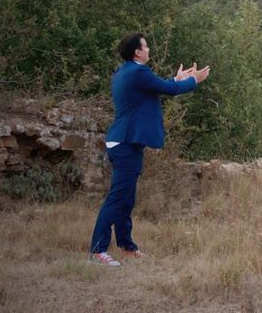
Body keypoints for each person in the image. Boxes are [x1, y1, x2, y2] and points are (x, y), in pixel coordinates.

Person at [89, 32, 210, 266]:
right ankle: (97, 251)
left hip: (125, 142)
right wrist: (193, 80)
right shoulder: (138, 72)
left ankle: (126, 245)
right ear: (137, 52)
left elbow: (159, 86)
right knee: (117, 199)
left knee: (127, 198)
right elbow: (169, 90)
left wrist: (175, 80)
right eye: (145, 47)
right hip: (124, 143)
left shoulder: (126, 72)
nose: (148, 50)